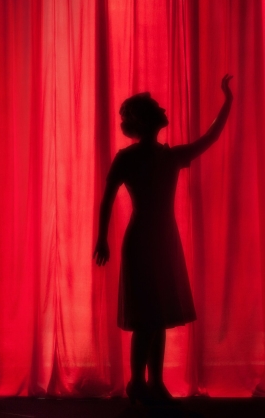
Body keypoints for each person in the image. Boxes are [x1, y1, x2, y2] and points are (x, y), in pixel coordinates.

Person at [93, 75, 233, 404]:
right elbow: (107, 199)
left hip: (162, 240)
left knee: (157, 318)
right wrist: (101, 238)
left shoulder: (167, 156)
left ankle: (153, 383)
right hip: (143, 241)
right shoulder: (131, 158)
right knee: (147, 318)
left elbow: (210, 138)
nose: (163, 108)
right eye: (156, 107)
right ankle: (139, 384)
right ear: (143, 120)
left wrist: (227, 101)